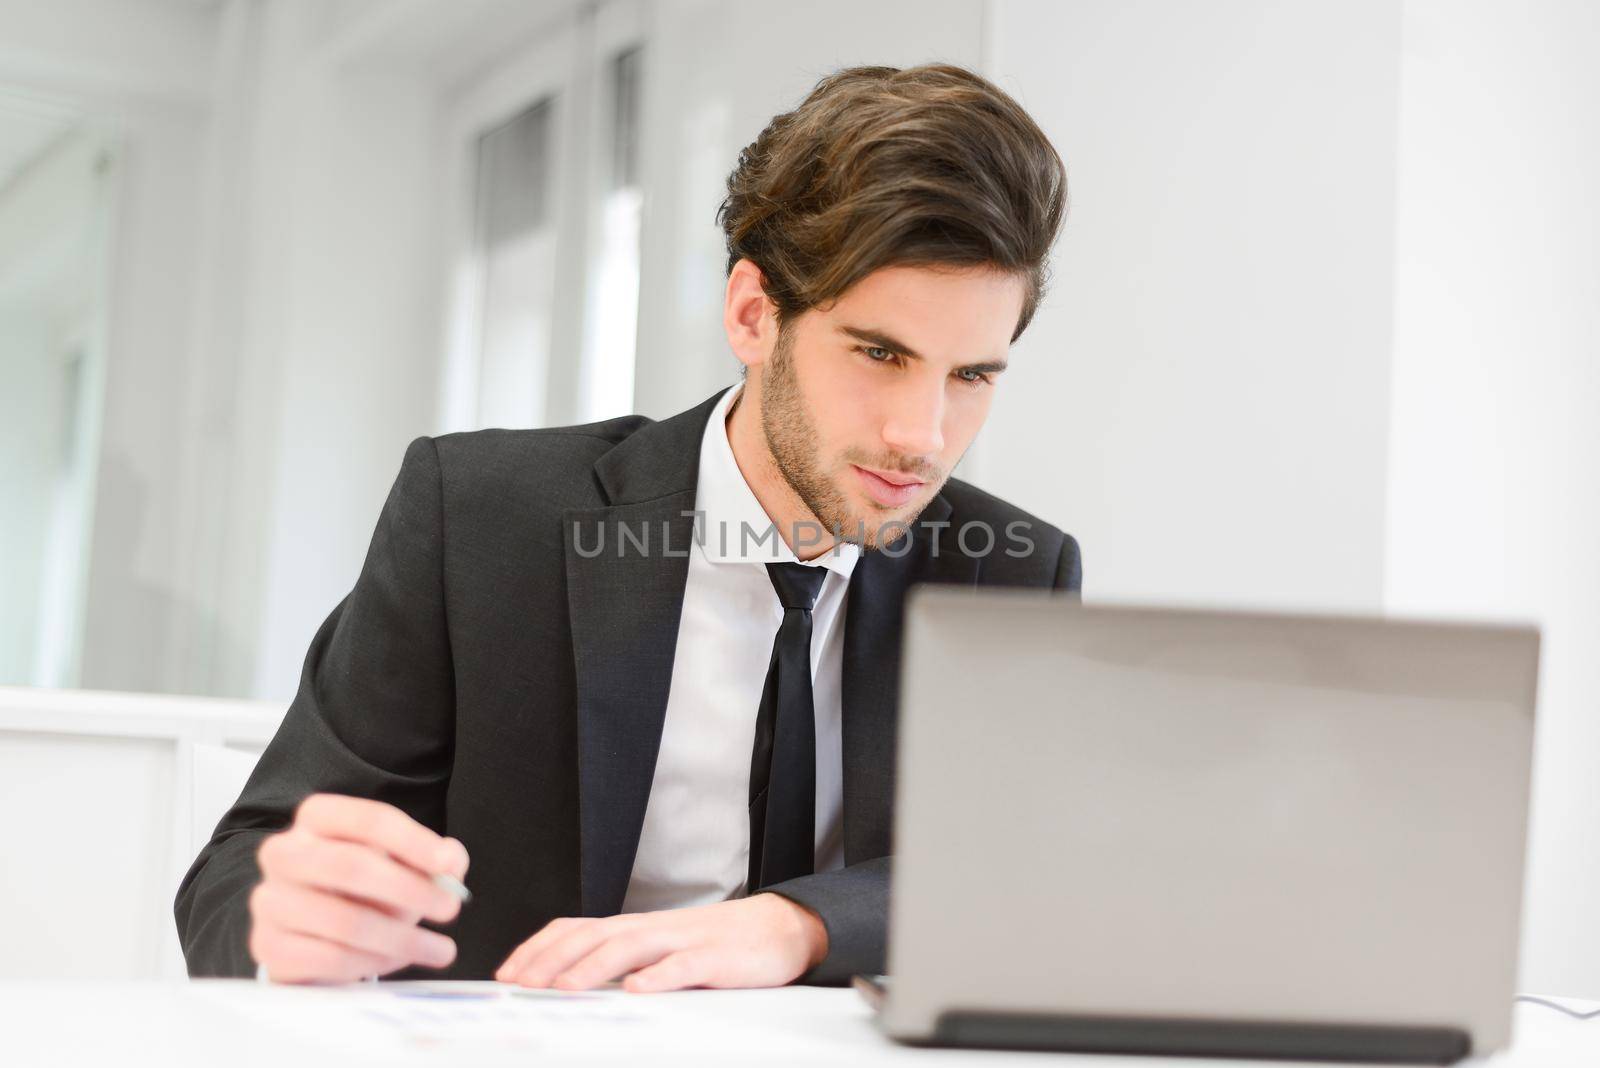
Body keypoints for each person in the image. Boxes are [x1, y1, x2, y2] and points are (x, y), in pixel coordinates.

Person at [175, 62, 1081, 992]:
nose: (922, 437)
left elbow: (1021, 889)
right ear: (753, 313)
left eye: (972, 375)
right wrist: (280, 920)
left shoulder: (1012, 573)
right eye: (880, 353)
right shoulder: (480, 517)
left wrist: (800, 925)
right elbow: (237, 874)